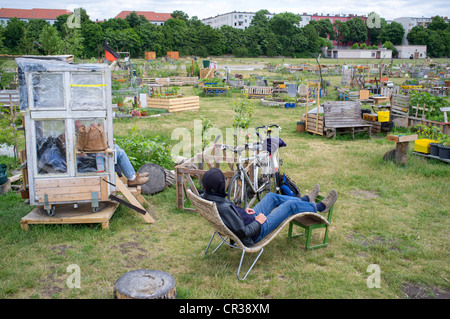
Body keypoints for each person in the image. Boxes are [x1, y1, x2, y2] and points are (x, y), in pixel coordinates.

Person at [201, 168, 337, 247]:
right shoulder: (222, 207)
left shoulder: (211, 198)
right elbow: (244, 232)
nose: (225, 182)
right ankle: (320, 207)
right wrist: (258, 221)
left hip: (249, 218)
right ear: (218, 185)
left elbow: (233, 216)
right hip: (256, 230)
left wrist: (243, 211)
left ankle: (305, 200)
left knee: (272, 196)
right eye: (223, 181)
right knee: (289, 205)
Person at [74, 120, 148, 187]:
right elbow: (82, 155)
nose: (80, 122)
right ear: (73, 124)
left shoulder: (78, 133)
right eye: (77, 122)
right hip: (93, 159)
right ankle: (132, 179)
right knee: (120, 153)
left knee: (116, 146)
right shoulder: (73, 136)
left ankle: (133, 175)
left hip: (94, 154)